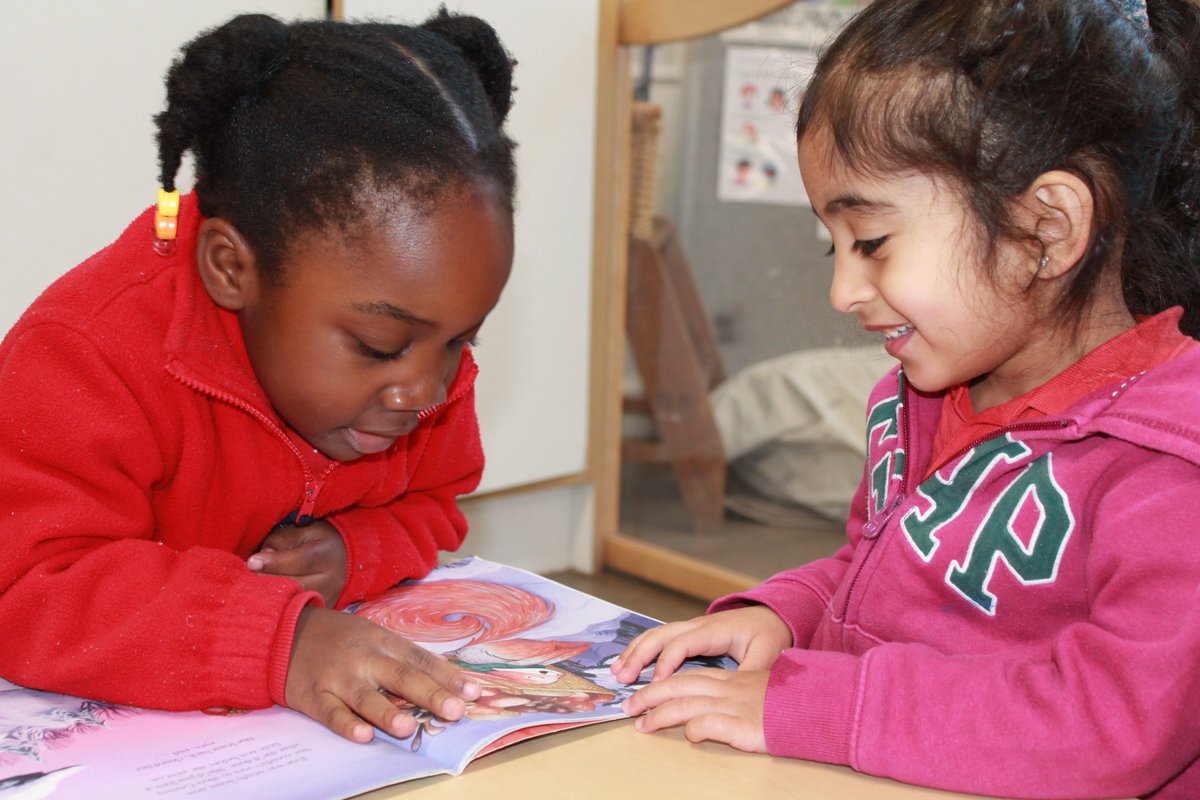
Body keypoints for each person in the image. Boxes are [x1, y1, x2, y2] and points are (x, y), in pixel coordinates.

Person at [612, 0, 1200, 797]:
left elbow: (1112, 725)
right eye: (833, 246)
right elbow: (874, 570)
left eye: (873, 243)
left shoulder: (1169, 461)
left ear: (1046, 229)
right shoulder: (919, 398)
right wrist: (784, 614)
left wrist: (827, 706)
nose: (843, 290)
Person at [0, 10, 517, 745]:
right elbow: (25, 587)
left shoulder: (417, 362)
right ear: (231, 268)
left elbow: (436, 499)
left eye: (461, 340)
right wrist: (278, 642)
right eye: (377, 344)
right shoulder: (85, 354)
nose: (425, 392)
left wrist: (356, 550)